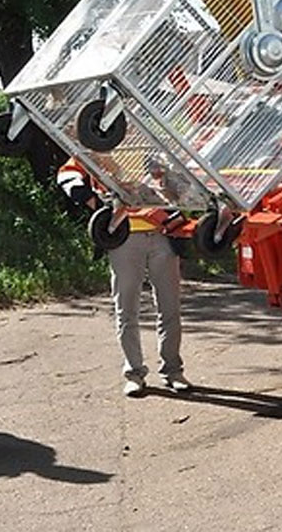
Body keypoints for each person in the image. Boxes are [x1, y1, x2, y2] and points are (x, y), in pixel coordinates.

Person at [57, 157, 191, 397]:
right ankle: (134, 373)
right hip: (123, 238)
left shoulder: (154, 147)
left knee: (170, 307)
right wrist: (92, 201)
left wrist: (167, 180)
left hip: (163, 233)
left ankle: (173, 372)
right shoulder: (94, 149)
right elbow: (66, 175)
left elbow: (184, 187)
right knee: (126, 309)